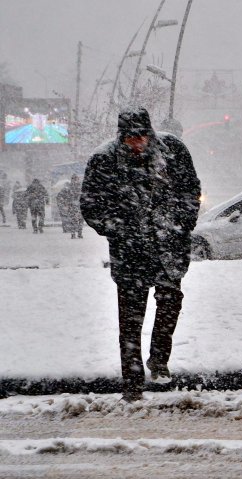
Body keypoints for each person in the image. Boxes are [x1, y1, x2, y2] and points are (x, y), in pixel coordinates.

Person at [81, 107, 202, 401]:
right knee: (131, 321)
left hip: (168, 247)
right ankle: (132, 382)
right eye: (130, 138)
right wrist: (119, 228)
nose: (136, 144)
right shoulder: (103, 160)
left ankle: (159, 359)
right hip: (129, 253)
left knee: (170, 301)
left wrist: (180, 224)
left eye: (141, 137)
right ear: (121, 137)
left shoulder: (173, 151)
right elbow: (91, 205)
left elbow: (191, 191)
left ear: (150, 134)